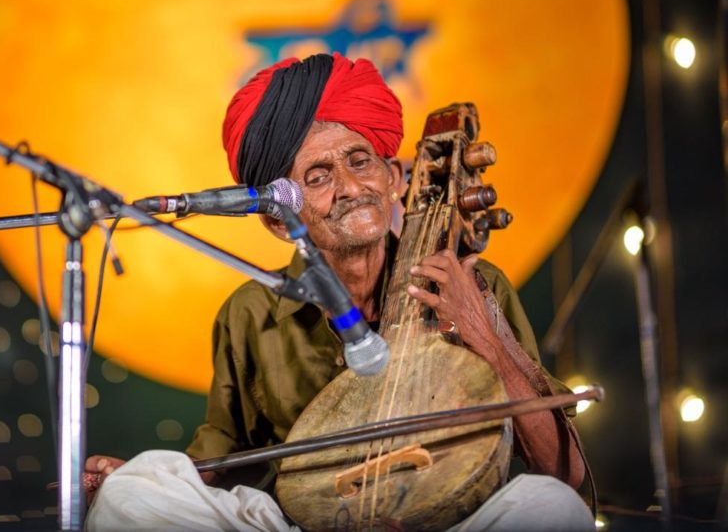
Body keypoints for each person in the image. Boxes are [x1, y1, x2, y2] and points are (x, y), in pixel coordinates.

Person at [85, 53, 593, 531]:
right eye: (319, 176)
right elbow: (223, 456)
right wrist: (145, 480)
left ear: (395, 179)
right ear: (278, 221)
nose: (350, 187)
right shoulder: (251, 312)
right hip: (303, 523)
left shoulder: (472, 285)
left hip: (451, 518)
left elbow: (563, 474)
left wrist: (485, 335)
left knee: (551, 508)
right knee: (131, 498)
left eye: (360, 161)